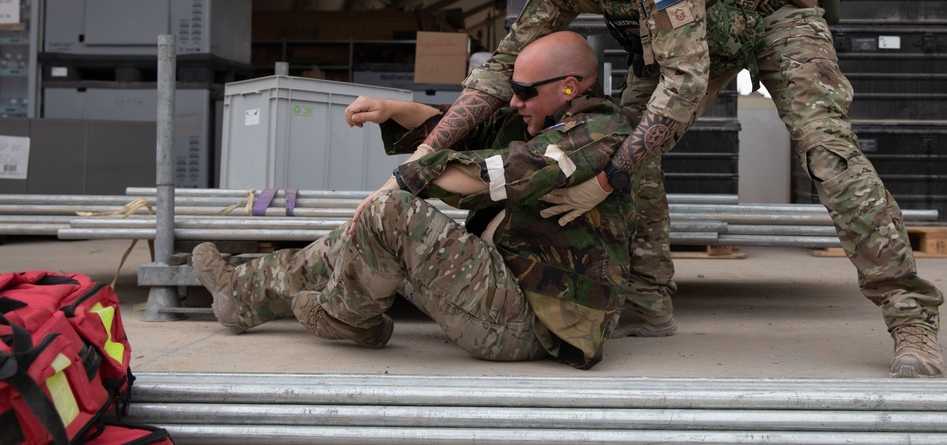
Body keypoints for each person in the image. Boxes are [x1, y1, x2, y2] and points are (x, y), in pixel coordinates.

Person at [382, 0, 943, 378]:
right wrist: (430, 149)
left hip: (769, 16)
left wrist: (602, 181)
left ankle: (909, 312)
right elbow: (503, 65)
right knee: (624, 140)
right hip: (684, 39)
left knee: (828, 155)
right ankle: (648, 297)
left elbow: (684, 81)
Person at [193, 32, 635, 369]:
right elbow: (465, 133)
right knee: (362, 232)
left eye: (524, 91)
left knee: (389, 212)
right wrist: (392, 109)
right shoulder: (536, 117)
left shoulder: (599, 130)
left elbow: (506, 170)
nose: (515, 100)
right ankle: (241, 292)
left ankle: (349, 316)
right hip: (501, 288)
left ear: (571, 87)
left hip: (534, 323)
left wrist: (403, 180)